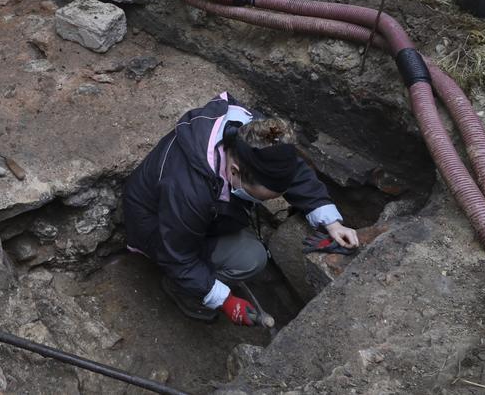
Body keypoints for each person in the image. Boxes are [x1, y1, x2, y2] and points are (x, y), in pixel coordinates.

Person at [123, 91, 360, 325]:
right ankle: (181, 290)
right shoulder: (188, 191)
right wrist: (223, 299)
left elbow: (292, 171)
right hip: (156, 227)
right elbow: (177, 256)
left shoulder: (258, 135)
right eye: (263, 198)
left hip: (194, 213)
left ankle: (211, 266)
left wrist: (331, 221)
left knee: (245, 246)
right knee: (252, 259)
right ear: (235, 171)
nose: (265, 202)